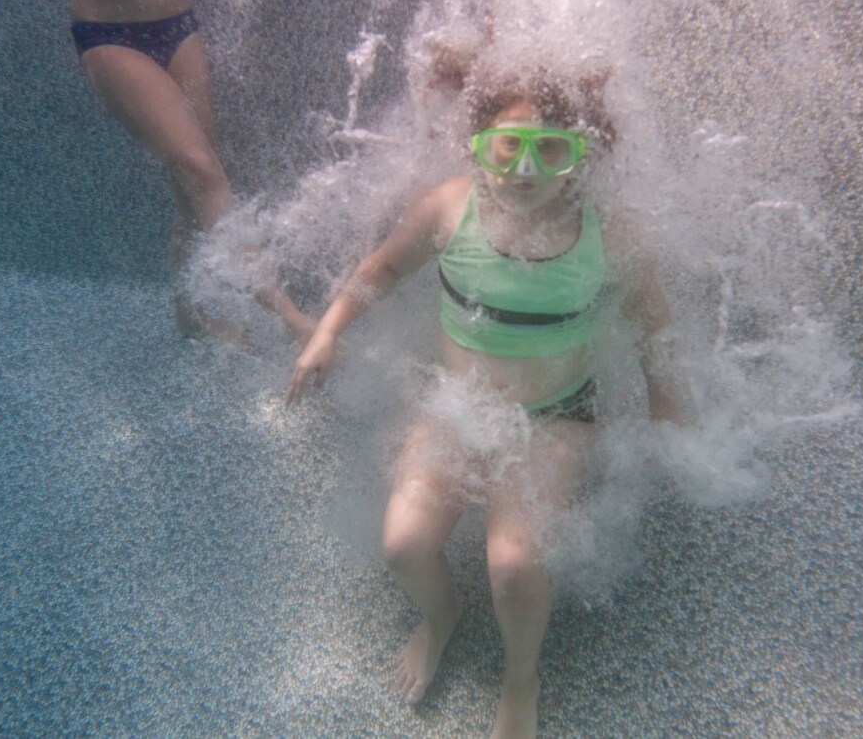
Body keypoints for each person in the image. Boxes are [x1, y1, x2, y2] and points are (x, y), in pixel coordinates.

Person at [286, 66, 684, 739]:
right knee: (403, 546)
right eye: (508, 146)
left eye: (549, 148)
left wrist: (666, 404)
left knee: (515, 566)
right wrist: (327, 332)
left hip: (557, 416)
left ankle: (520, 679)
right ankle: (441, 616)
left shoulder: (608, 234)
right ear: (479, 145)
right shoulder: (448, 209)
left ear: (580, 153)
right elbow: (382, 269)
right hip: (461, 404)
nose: (525, 169)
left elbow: (654, 321)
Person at [57, 0, 231, 333]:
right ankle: (291, 318)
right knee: (199, 169)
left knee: (192, 195)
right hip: (110, 35)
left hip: (178, 28)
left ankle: (189, 315)